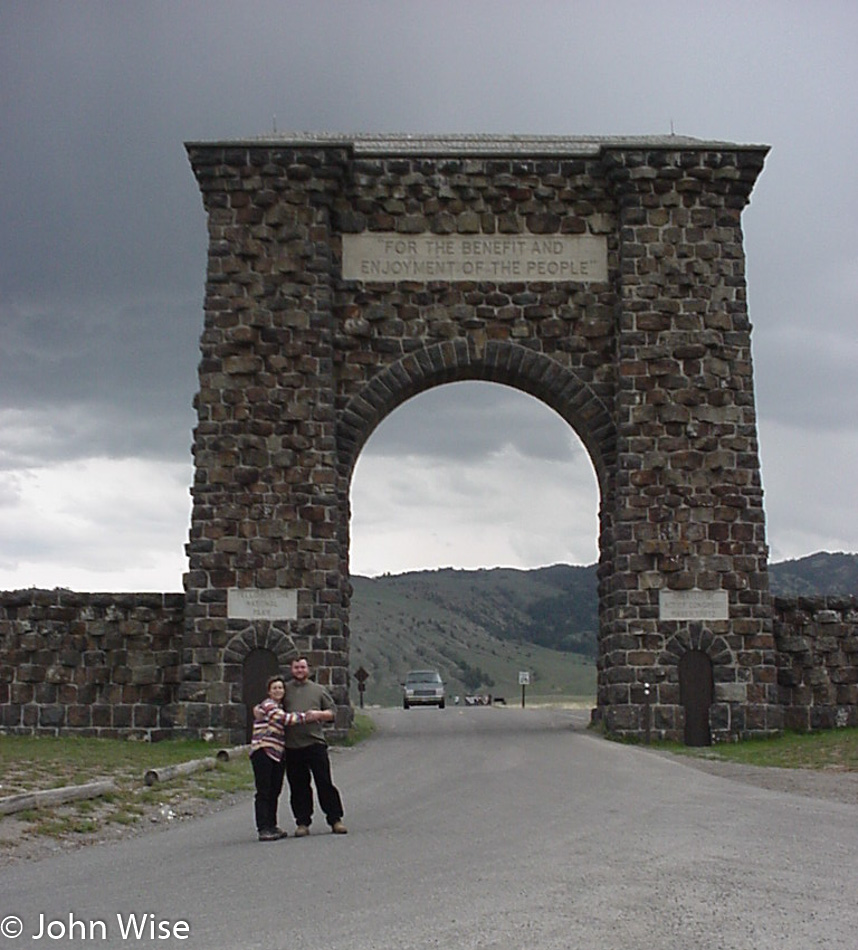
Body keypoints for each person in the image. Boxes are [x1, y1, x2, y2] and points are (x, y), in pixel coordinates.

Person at [250, 674, 323, 842]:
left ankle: (272, 825)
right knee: (264, 791)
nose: (278, 690)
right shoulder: (269, 705)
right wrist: (309, 716)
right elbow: (284, 719)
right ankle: (263, 828)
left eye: (280, 688)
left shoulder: (279, 706)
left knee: (274, 790)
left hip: (277, 753)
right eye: (274, 688)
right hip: (263, 750)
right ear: (269, 691)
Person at [283, 656, 347, 835]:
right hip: (292, 746)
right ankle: (302, 822)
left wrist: (318, 714)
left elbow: (332, 713)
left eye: (302, 667)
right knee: (298, 786)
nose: (299, 671)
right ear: (291, 669)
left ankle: (335, 819)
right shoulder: (285, 690)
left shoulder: (318, 690)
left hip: (315, 743)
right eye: (296, 667)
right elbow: (271, 708)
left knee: (324, 782)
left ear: (308, 670)